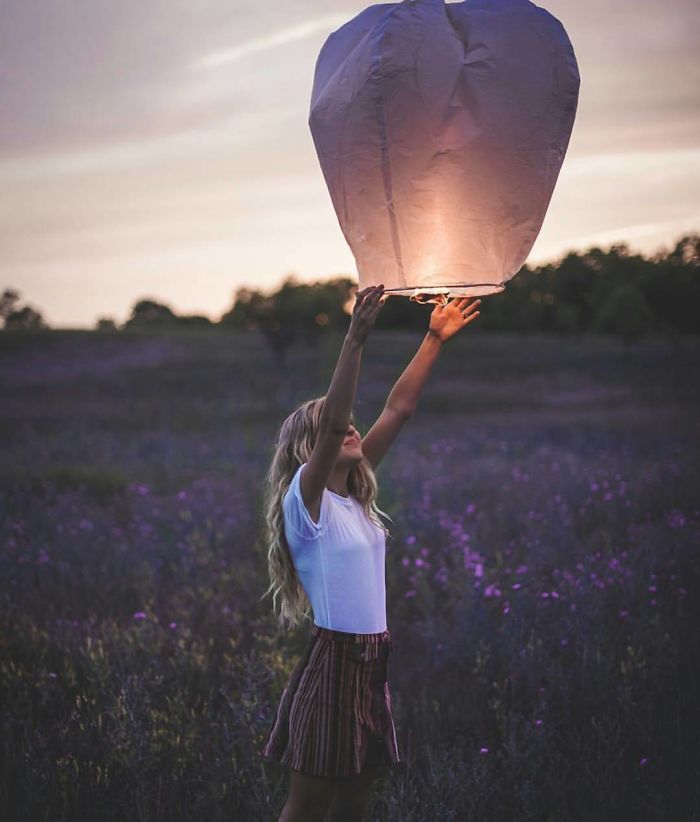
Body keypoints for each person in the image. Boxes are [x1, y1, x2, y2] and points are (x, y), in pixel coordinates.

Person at [260, 284, 481, 821]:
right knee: (308, 806)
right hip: (334, 663)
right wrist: (354, 338)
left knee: (356, 805)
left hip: (372, 662)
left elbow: (399, 409)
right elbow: (337, 421)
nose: (350, 428)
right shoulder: (305, 506)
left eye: (349, 426)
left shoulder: (354, 500)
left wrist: (433, 338)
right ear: (308, 451)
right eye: (332, 430)